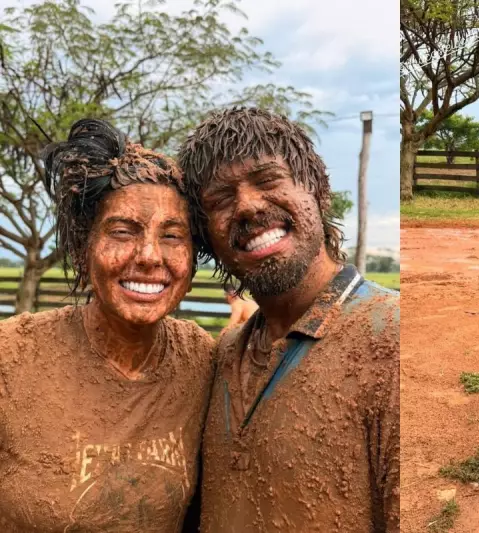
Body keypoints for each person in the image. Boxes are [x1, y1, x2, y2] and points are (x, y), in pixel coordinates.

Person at [178, 108, 400, 532]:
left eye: (267, 180)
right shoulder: (225, 354)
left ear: (318, 192)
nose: (246, 206)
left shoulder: (389, 336)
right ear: (206, 237)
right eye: (221, 199)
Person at [0, 119, 216, 531]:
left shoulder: (202, 359)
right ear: (83, 249)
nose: (150, 256)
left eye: (172, 236)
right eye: (122, 231)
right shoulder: (12, 356)